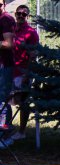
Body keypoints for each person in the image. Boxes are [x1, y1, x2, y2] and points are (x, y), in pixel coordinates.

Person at [10, 5, 39, 141]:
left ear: (27, 16)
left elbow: (33, 56)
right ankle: (7, 128)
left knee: (23, 102)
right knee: (6, 101)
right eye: (19, 13)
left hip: (22, 72)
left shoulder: (31, 33)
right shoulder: (12, 29)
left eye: (24, 14)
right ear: (15, 14)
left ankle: (22, 131)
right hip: (9, 70)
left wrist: (27, 75)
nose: (21, 16)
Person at [0, 0, 15, 147]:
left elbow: (9, 43)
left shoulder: (6, 19)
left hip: (4, 67)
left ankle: (5, 137)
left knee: (2, 102)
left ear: (4, 5)